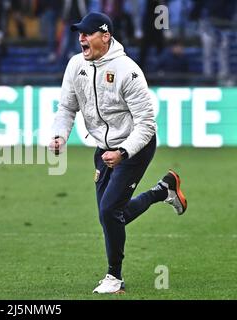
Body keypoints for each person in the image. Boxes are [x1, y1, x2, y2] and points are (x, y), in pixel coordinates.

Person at [49, 12, 188, 294]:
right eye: (80, 33)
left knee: (109, 210)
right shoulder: (76, 65)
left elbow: (147, 125)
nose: (81, 38)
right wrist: (59, 135)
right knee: (111, 214)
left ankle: (114, 277)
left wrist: (123, 152)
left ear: (106, 36)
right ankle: (164, 191)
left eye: (87, 33)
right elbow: (66, 108)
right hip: (103, 149)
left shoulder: (129, 71)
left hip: (134, 148)